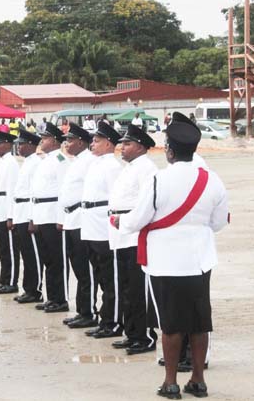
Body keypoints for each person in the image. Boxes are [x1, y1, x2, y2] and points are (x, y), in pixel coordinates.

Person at [116, 112, 228, 399]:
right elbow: (218, 223)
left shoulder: (158, 180)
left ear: (169, 150)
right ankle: (198, 380)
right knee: (200, 322)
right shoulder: (212, 180)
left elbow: (138, 218)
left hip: (165, 260)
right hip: (200, 259)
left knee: (170, 324)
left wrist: (120, 223)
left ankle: (170, 382)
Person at [108, 124, 158, 355]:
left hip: (135, 233)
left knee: (138, 289)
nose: (122, 148)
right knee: (126, 288)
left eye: (127, 144)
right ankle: (132, 333)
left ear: (140, 146)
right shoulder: (128, 167)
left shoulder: (147, 168)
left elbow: (145, 204)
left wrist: (127, 223)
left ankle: (145, 337)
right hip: (120, 232)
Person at [81, 121, 124, 339]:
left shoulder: (112, 166)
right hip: (91, 225)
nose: (92, 144)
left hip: (102, 227)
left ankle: (114, 321)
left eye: (97, 141)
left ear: (109, 144)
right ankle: (104, 318)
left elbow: (114, 200)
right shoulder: (96, 163)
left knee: (109, 278)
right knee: (99, 275)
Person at [57, 123, 97, 328]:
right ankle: (82, 310)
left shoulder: (89, 161)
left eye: (70, 140)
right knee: (78, 269)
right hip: (71, 218)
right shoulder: (75, 161)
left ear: (81, 142)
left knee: (86, 270)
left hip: (82, 218)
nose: (66, 144)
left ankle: (89, 311)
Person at [29, 122, 70, 312]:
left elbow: (64, 190)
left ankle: (61, 299)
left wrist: (61, 218)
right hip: (42, 213)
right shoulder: (45, 160)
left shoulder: (61, 159)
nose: (41, 141)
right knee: (48, 259)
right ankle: (51, 296)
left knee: (57, 260)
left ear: (54, 140)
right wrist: (34, 218)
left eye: (44, 138)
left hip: (53, 213)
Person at [10, 129, 43, 304]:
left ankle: (35, 289)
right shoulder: (27, 163)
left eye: (22, 144)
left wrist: (32, 218)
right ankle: (28, 288)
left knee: (33, 254)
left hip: (29, 211)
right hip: (20, 211)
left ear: (31, 145)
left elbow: (33, 192)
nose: (19, 147)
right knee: (26, 254)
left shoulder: (36, 162)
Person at [0, 130, 19, 294]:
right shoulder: (1, 162)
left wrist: (10, 215)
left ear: (7, 144)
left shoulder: (11, 163)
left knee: (10, 249)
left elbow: (11, 191)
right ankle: (4, 279)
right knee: (2, 248)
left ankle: (11, 281)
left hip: (6, 209)